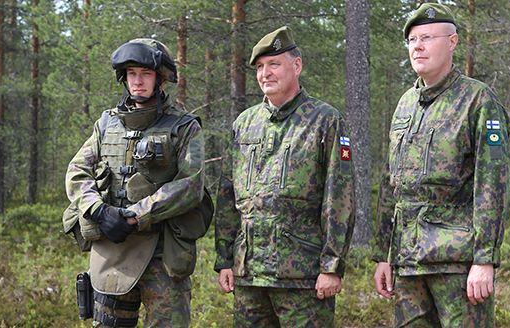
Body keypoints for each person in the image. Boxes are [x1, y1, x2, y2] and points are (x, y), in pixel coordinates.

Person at [372, 3, 510, 327]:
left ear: (452, 42)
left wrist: (484, 259)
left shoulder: (478, 100)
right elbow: (392, 183)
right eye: (412, 40)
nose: (417, 46)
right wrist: (383, 255)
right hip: (408, 263)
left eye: (427, 38)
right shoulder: (405, 105)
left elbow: (493, 183)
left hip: (457, 264)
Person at [214, 26, 355, 327]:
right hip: (250, 273)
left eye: (274, 64)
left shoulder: (325, 120)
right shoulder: (244, 123)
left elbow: (339, 198)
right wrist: (224, 259)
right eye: (260, 67)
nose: (265, 73)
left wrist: (331, 266)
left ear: (297, 65)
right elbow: (228, 196)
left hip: (302, 275)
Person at [64, 38, 209, 327]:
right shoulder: (107, 124)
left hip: (163, 255)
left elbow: (190, 185)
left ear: (160, 78)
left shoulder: (183, 127)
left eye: (145, 74)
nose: (137, 81)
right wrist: (99, 211)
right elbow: (77, 171)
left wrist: (135, 216)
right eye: (132, 74)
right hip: (112, 250)